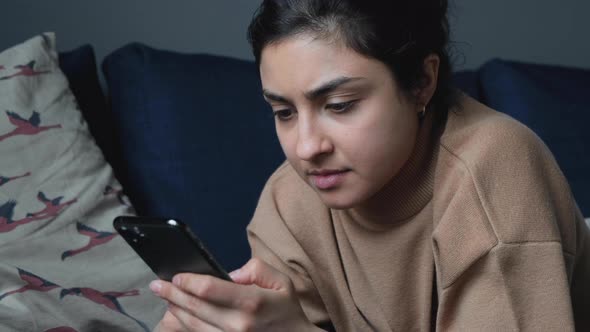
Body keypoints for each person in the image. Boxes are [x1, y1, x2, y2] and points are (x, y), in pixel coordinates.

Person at [151, 0, 590, 330]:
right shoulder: (291, 195)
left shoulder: (496, 168)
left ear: (422, 82)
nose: (306, 147)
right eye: (283, 112)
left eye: (339, 105)